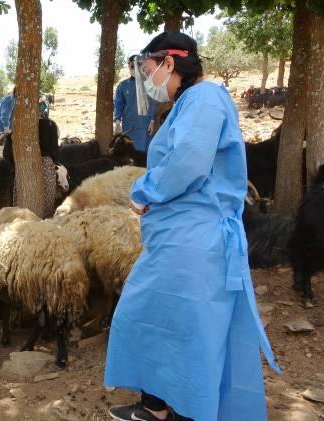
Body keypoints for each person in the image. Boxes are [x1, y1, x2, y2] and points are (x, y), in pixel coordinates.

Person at [105, 32, 281, 421]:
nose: (149, 81)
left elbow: (188, 162)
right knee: (160, 317)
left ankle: (184, 410)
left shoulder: (203, 100)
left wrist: (144, 192)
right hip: (181, 240)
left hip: (194, 242)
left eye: (149, 71)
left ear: (170, 63)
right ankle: (158, 405)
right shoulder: (191, 104)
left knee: (180, 324)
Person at [114, 55, 159, 152]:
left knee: (144, 151)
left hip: (145, 124)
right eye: (132, 66)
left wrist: (152, 120)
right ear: (128, 67)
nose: (134, 68)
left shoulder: (149, 84)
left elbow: (153, 102)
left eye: (137, 65)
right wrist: (117, 122)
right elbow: (118, 104)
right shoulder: (123, 85)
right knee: (129, 152)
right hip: (129, 126)